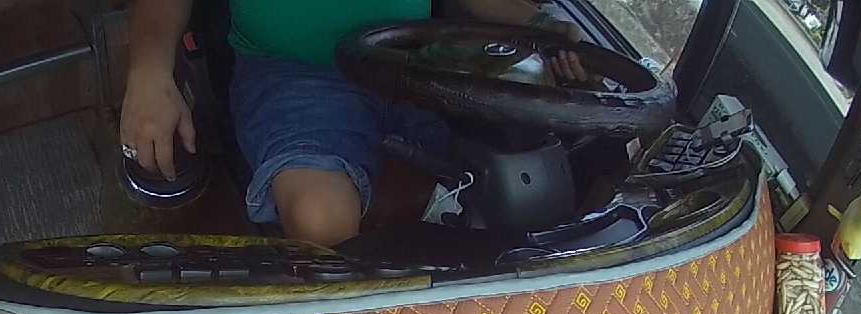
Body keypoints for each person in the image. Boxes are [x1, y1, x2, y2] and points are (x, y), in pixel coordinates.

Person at [120, 0, 589, 246]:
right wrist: (149, 73)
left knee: (520, 190)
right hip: (294, 73)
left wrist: (546, 25)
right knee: (320, 218)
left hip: (415, 65)